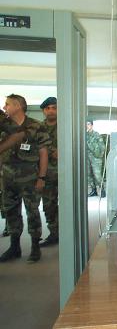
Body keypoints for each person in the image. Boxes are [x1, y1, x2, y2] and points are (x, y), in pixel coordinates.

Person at [0, 94, 50, 263]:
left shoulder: (36, 126)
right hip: (7, 178)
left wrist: (41, 177)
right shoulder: (3, 126)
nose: (5, 107)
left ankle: (35, 247)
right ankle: (15, 247)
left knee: (33, 212)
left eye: (7, 104)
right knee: (11, 212)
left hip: (30, 177)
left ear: (18, 106)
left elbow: (44, 153)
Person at [0, 109, 27, 237]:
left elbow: (18, 133)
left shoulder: (3, 118)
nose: (6, 107)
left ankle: (10, 229)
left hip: (8, 167)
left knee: (8, 199)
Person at [39, 97, 59, 247]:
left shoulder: (66, 126)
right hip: (46, 173)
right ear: (44, 110)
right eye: (48, 108)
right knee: (48, 205)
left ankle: (68, 232)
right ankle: (54, 233)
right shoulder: (37, 128)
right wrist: (52, 151)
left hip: (65, 173)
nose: (51, 111)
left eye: (54, 108)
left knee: (68, 204)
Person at [86, 119, 105, 197]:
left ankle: (102, 189)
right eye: (86, 124)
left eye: (88, 124)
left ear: (92, 125)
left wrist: (99, 156)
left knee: (97, 175)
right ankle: (94, 190)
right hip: (87, 158)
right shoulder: (84, 135)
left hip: (96, 158)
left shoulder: (96, 135)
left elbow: (102, 147)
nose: (87, 126)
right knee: (89, 175)